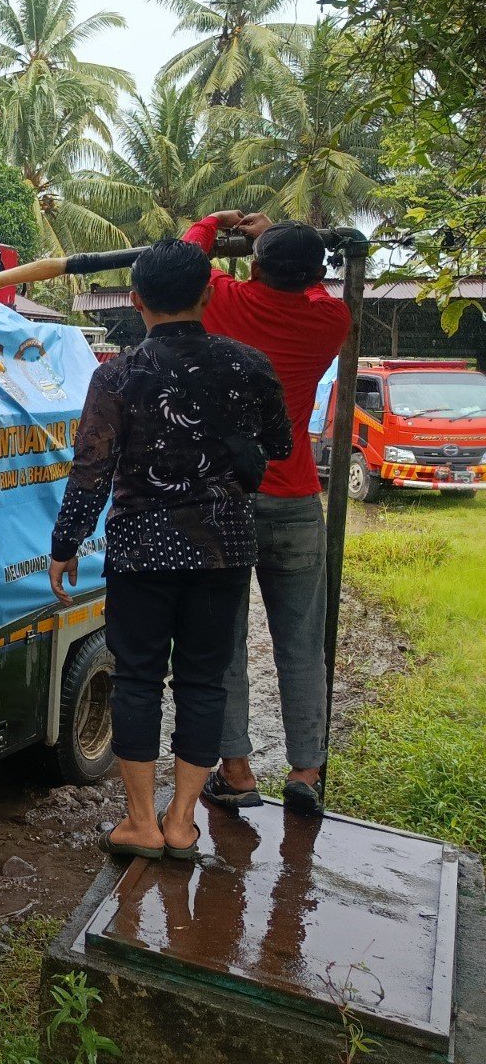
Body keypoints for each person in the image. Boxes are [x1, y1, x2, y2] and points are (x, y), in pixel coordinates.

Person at [50, 239, 293, 860]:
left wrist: (66, 542)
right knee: (203, 682)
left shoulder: (119, 373)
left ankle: (139, 822)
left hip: (143, 552)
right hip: (224, 550)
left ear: (135, 300)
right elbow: (283, 445)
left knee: (137, 678)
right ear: (208, 294)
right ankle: (183, 821)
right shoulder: (250, 364)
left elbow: (92, 469)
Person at [182, 211, 352, 817]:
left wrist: (215, 223)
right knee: (302, 644)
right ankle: (305, 770)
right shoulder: (329, 320)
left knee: (223, 641)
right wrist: (276, 242)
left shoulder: (226, 301)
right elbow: (311, 288)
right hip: (297, 498)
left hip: (226, 498)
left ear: (254, 267)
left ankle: (237, 771)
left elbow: (186, 261)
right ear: (316, 274)